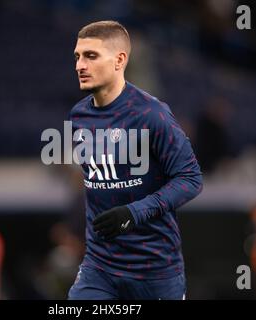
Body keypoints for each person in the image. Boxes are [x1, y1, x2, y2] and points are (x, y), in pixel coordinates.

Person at [67, 20, 203, 300]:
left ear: (119, 60)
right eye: (78, 56)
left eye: (91, 56)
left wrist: (134, 212)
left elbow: (191, 179)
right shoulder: (78, 117)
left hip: (155, 271)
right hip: (99, 269)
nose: (80, 65)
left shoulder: (152, 114)